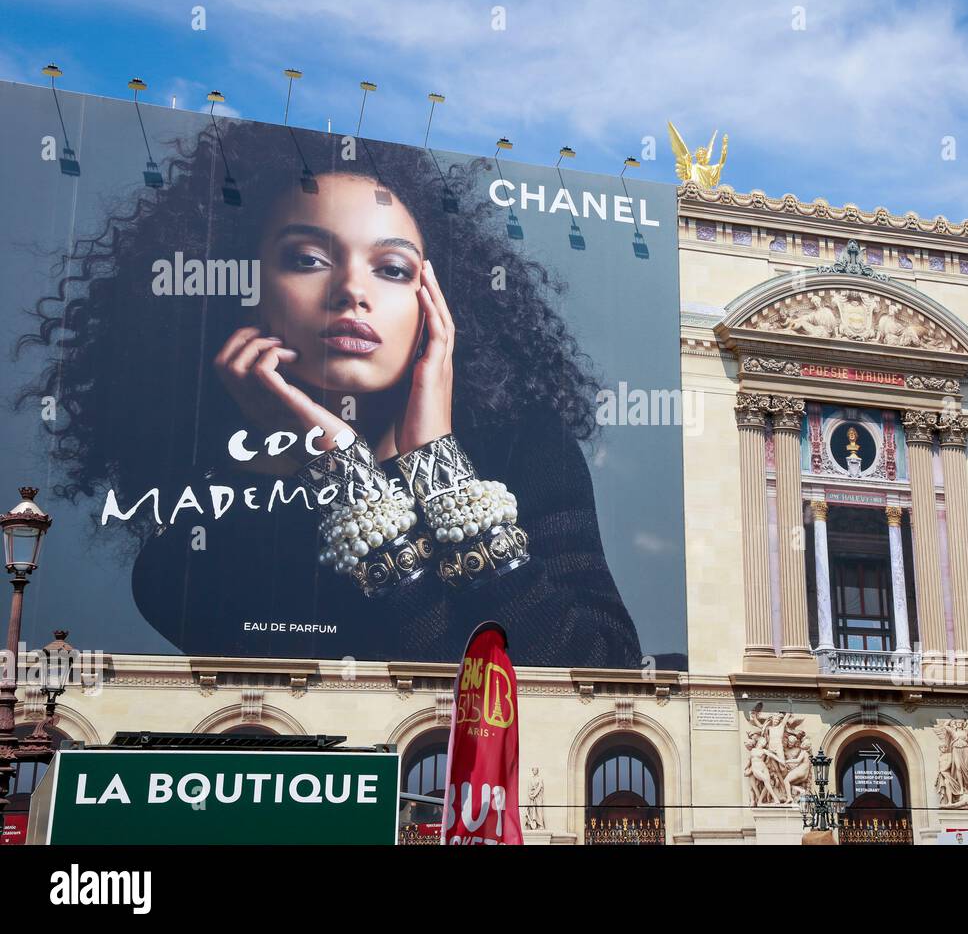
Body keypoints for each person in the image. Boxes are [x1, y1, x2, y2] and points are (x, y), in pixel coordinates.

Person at [14, 120, 641, 668]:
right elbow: (338, 691)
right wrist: (334, 466)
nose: (352, 291)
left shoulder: (525, 449)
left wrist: (439, 469)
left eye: (392, 269)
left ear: (437, 302)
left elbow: (592, 666)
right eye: (309, 259)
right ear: (245, 286)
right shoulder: (201, 524)